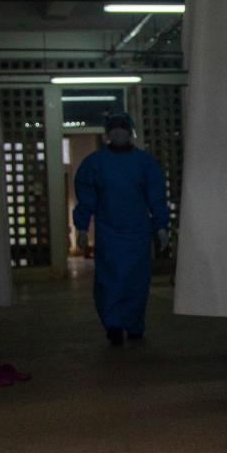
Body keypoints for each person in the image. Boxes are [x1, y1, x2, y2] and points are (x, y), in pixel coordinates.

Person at [73, 113, 170, 346]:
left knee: (136, 282)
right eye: (114, 129)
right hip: (109, 233)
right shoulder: (95, 164)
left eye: (122, 128)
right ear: (108, 133)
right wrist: (82, 227)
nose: (119, 133)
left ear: (130, 132)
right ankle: (114, 325)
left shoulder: (144, 163)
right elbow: (86, 198)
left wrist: (161, 225)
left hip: (137, 232)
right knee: (109, 280)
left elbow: (156, 196)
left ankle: (134, 324)